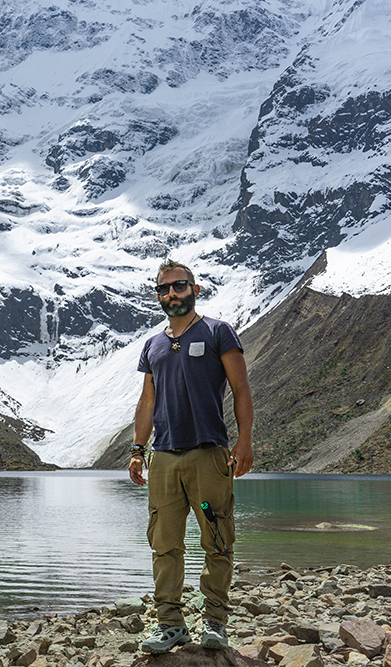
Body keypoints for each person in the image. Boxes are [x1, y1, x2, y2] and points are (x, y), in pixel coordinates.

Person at [128, 259, 254, 653]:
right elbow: (147, 400)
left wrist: (245, 439)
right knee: (164, 544)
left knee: (217, 540)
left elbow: (241, 387)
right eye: (164, 289)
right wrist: (137, 449)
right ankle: (171, 625)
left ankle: (214, 621)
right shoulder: (154, 345)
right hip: (163, 458)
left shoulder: (218, 331)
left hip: (208, 455)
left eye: (179, 287)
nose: (171, 295)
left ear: (195, 289)